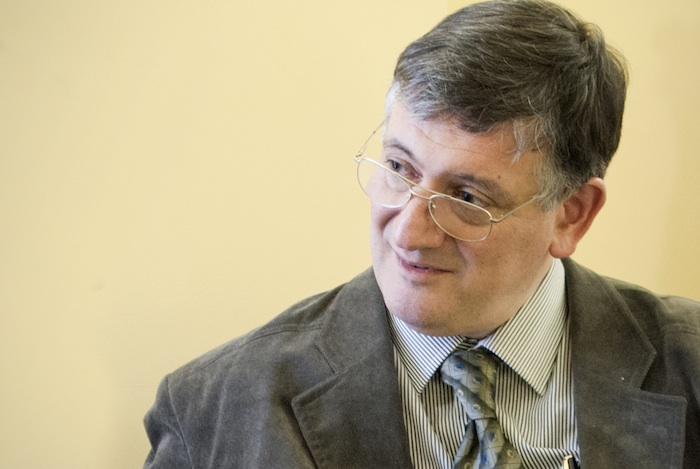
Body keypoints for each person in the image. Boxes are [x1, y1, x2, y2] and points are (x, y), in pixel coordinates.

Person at [143, 0, 700, 467]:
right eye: (399, 168)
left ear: (571, 214)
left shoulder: (690, 367)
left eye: (467, 198)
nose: (410, 233)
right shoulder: (212, 413)